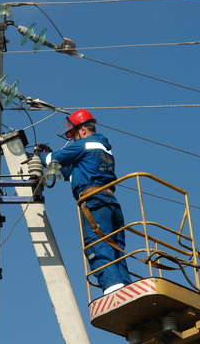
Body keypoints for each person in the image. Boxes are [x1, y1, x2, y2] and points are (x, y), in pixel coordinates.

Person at [38, 109, 132, 295]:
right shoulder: (102, 149)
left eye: (73, 135)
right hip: (110, 202)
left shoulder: (84, 144)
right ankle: (126, 286)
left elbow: (52, 159)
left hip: (93, 200)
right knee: (115, 246)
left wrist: (39, 154)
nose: (73, 139)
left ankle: (113, 289)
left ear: (82, 130)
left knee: (97, 242)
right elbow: (70, 170)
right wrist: (54, 162)